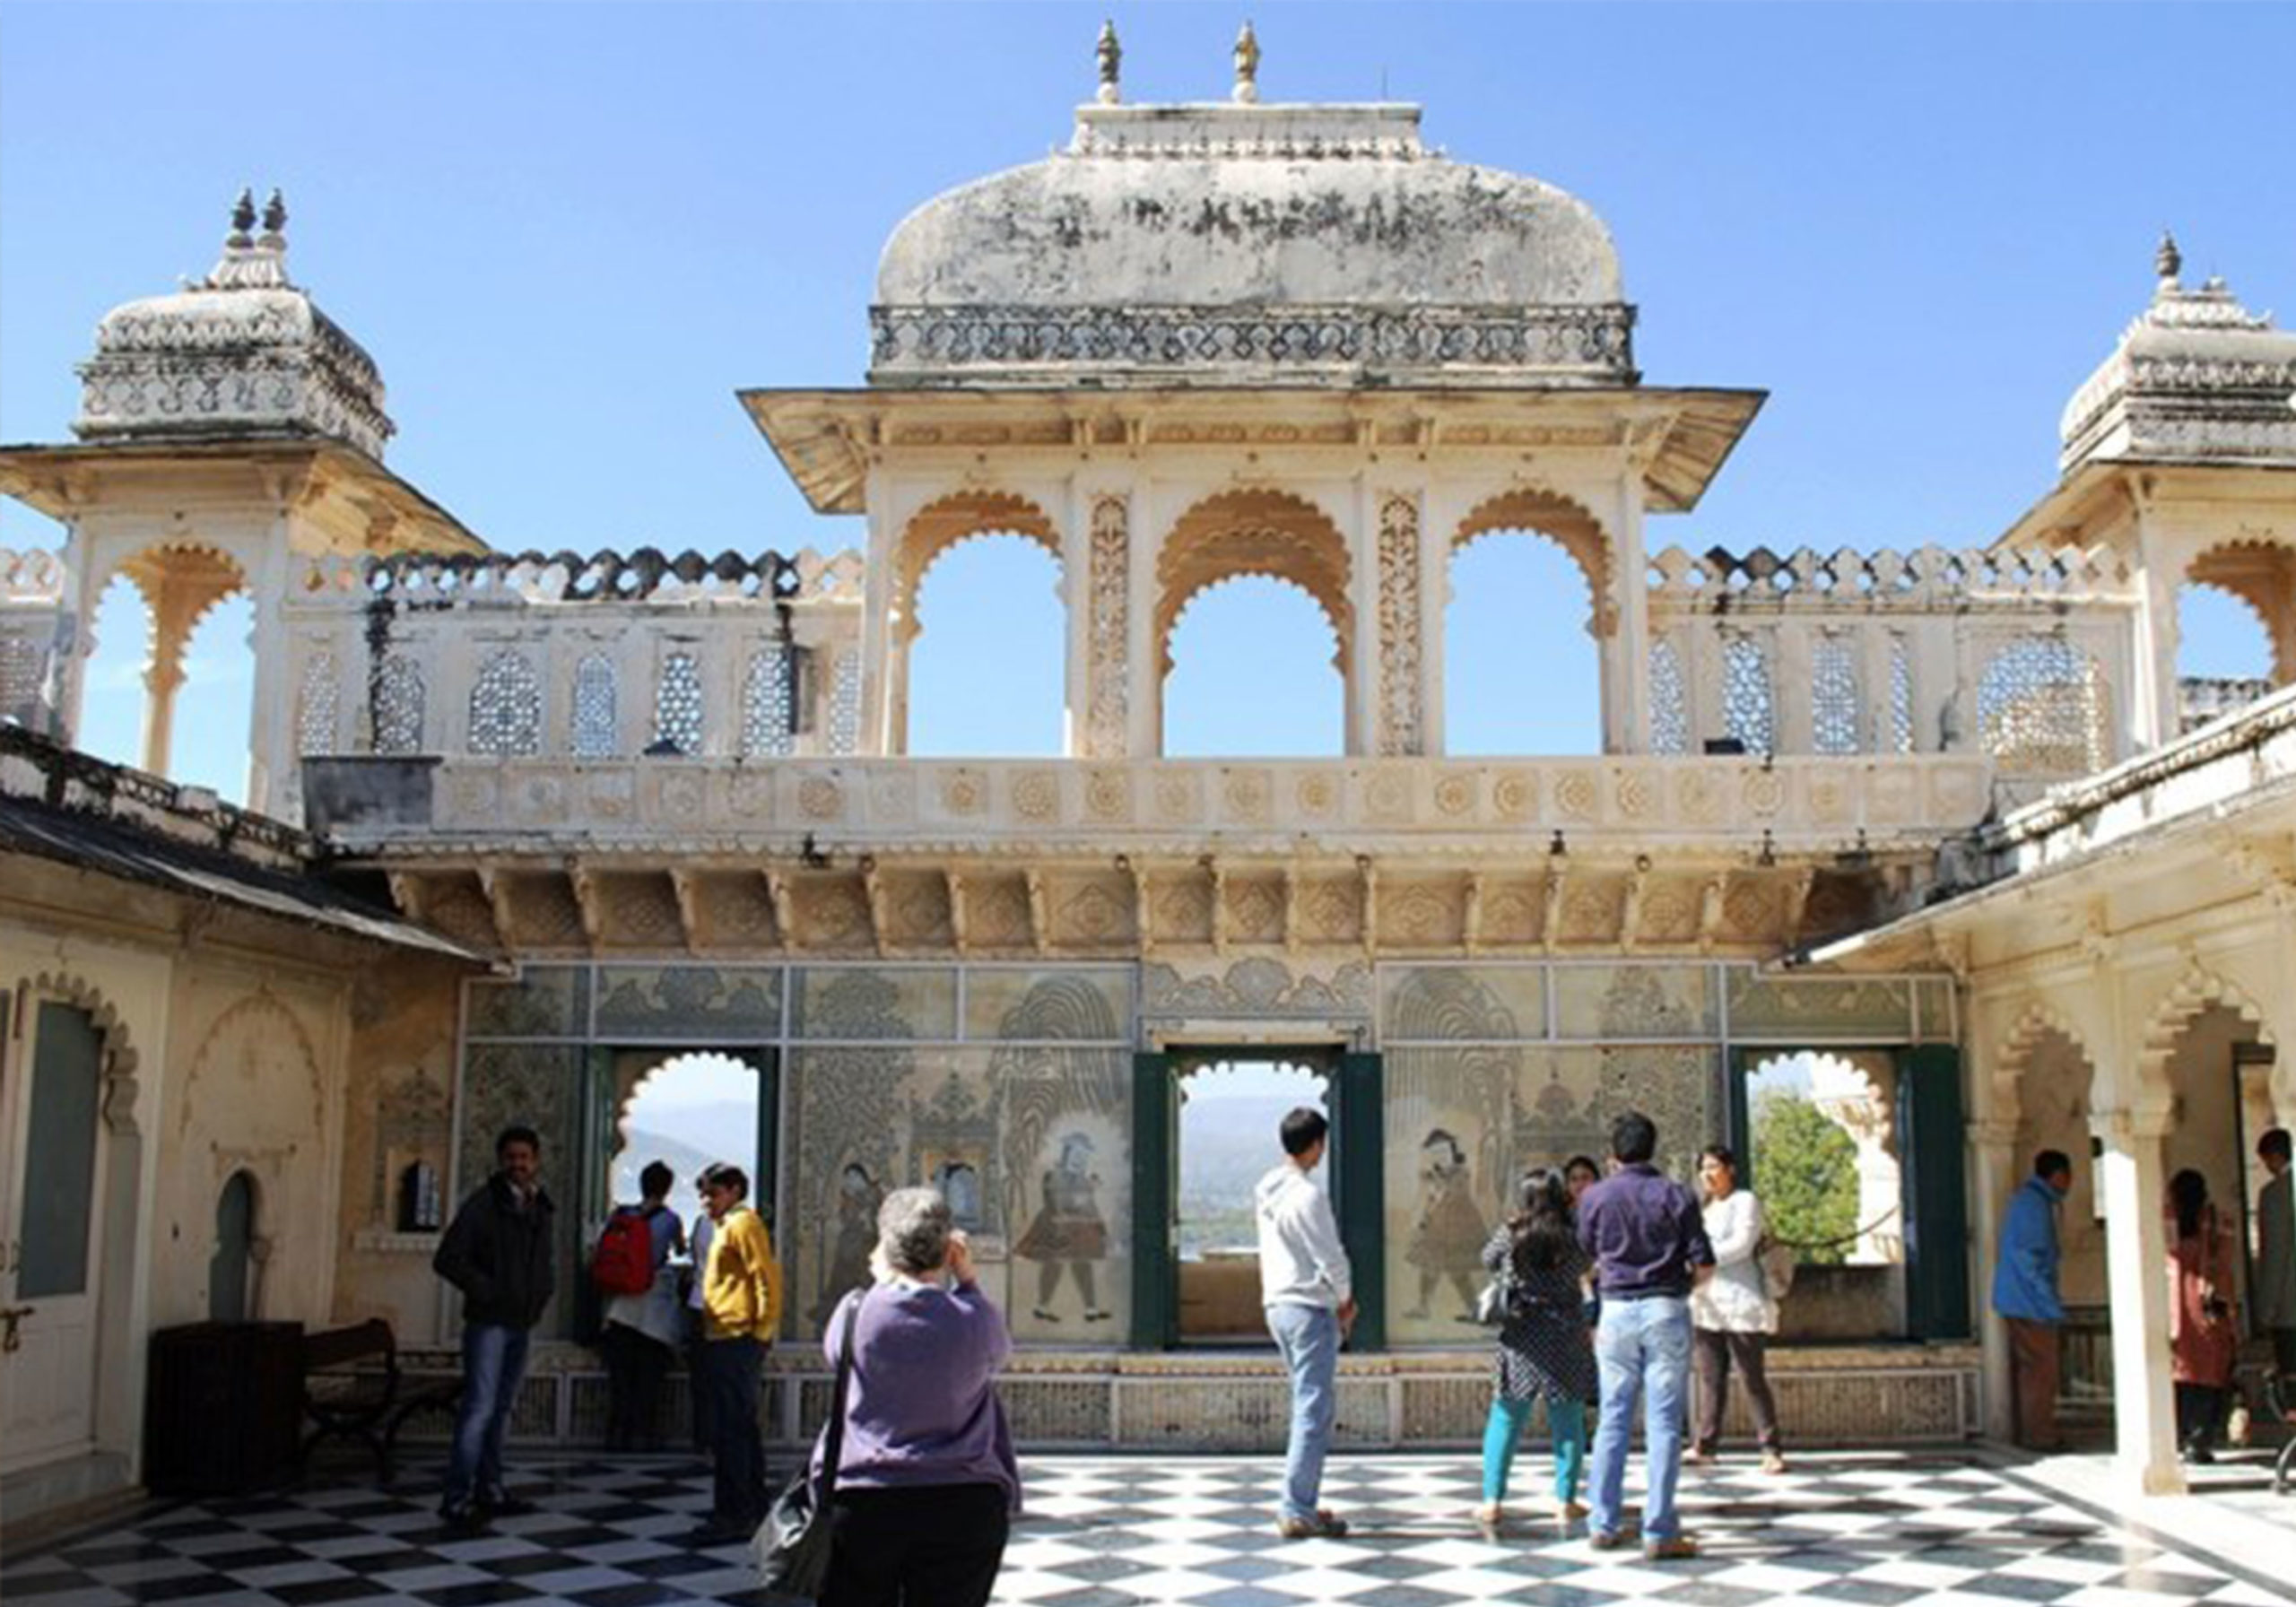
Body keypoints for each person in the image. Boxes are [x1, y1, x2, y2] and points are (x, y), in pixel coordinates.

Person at [816, 1187, 1020, 1607]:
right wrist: (967, 1280)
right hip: (964, 1498)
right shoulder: (975, 1318)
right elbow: (996, 1354)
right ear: (949, 1250)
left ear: (885, 1246)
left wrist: (882, 1275)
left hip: (866, 1497)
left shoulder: (854, 1312)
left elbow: (836, 1357)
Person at [1577, 1110, 1713, 1561]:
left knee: (1613, 1417)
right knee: (1664, 1422)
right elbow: (1705, 1264)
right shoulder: (1676, 1194)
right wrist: (1679, 1291)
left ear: (1613, 1153)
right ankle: (1658, 1528)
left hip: (1615, 1310)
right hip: (1665, 1307)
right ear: (1652, 1148)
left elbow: (1586, 1255)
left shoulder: (1596, 1196)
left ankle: (1603, 1521)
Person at [431, 1124, 557, 1531]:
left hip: (518, 1321)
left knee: (499, 1410)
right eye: (512, 1157)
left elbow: (542, 1261)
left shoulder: (539, 1206)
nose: (518, 1164)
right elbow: (448, 1258)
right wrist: (489, 1291)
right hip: (488, 1323)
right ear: (502, 1161)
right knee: (480, 1409)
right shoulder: (483, 1205)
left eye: (525, 1157)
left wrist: (538, 1294)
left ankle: (490, 1488)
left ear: (535, 1161)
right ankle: (456, 1497)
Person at [1474, 1168, 1596, 1533]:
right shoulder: (1573, 1235)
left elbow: (1487, 1258)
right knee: (1568, 1420)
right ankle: (1565, 1500)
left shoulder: (1512, 1233)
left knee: (1507, 1416)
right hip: (1564, 1333)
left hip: (1521, 1333)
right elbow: (1587, 1267)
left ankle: (1492, 1500)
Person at [1256, 1105, 1355, 1541]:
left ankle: (1303, 1499)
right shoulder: (1307, 1195)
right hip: (1307, 1307)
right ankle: (1297, 1506)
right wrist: (1346, 1297)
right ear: (1316, 1144)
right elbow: (1328, 1254)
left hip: (1277, 1303)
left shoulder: (1266, 1188)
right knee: (1314, 1408)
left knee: (1306, 1401)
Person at [691, 1161, 782, 1545]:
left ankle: (736, 1512)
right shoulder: (726, 1226)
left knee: (731, 1430)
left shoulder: (743, 1225)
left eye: (712, 1193)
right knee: (738, 1428)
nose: (705, 1201)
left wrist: (760, 1332)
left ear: (733, 1192)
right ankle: (748, 1506)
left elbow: (765, 1277)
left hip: (736, 1338)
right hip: (726, 1336)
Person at [1689, 1145, 1786, 1474]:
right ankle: (1706, 1444)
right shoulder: (1703, 1207)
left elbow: (1742, 1245)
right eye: (1703, 1168)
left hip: (1741, 1300)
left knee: (1751, 1376)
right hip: (1707, 1301)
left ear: (1730, 1169)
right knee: (1710, 1378)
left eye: (1714, 1166)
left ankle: (1770, 1446)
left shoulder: (1745, 1201)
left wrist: (1703, 1257)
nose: (1708, 1174)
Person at [599, 1160, 686, 1452]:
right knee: (649, 1379)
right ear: (668, 1188)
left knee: (621, 1379)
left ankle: (616, 1434)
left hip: (619, 1308)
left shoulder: (621, 1215)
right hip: (653, 1313)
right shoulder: (671, 1219)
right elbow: (680, 1251)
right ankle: (644, 1434)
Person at [1993, 1149, 2072, 1452]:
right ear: (2058, 1176)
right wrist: (2048, 1304)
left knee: (2030, 1369)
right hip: (2029, 1303)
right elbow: (2029, 1260)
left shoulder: (2031, 1201)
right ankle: (2039, 1433)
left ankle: (2030, 1430)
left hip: (2019, 1300)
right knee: (2040, 1371)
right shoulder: (2034, 1205)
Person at [2166, 1168, 2239, 1463]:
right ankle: (2201, 1439)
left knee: (2182, 1374)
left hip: (2177, 1310)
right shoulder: (2216, 1223)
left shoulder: (2168, 1225)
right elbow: (2226, 1261)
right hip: (2209, 1309)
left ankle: (2181, 1436)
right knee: (2210, 1374)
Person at [2257, 1129, 2295, 1378]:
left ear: (2274, 1157)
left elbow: (2275, 1254)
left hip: (2289, 1306)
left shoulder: (2275, 1195)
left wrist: (2267, 1308)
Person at [685, 1170, 717, 1453]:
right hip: (720, 1312)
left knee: (702, 1380)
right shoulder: (736, 1226)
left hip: (698, 1305)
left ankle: (703, 1439)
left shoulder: (700, 1224)